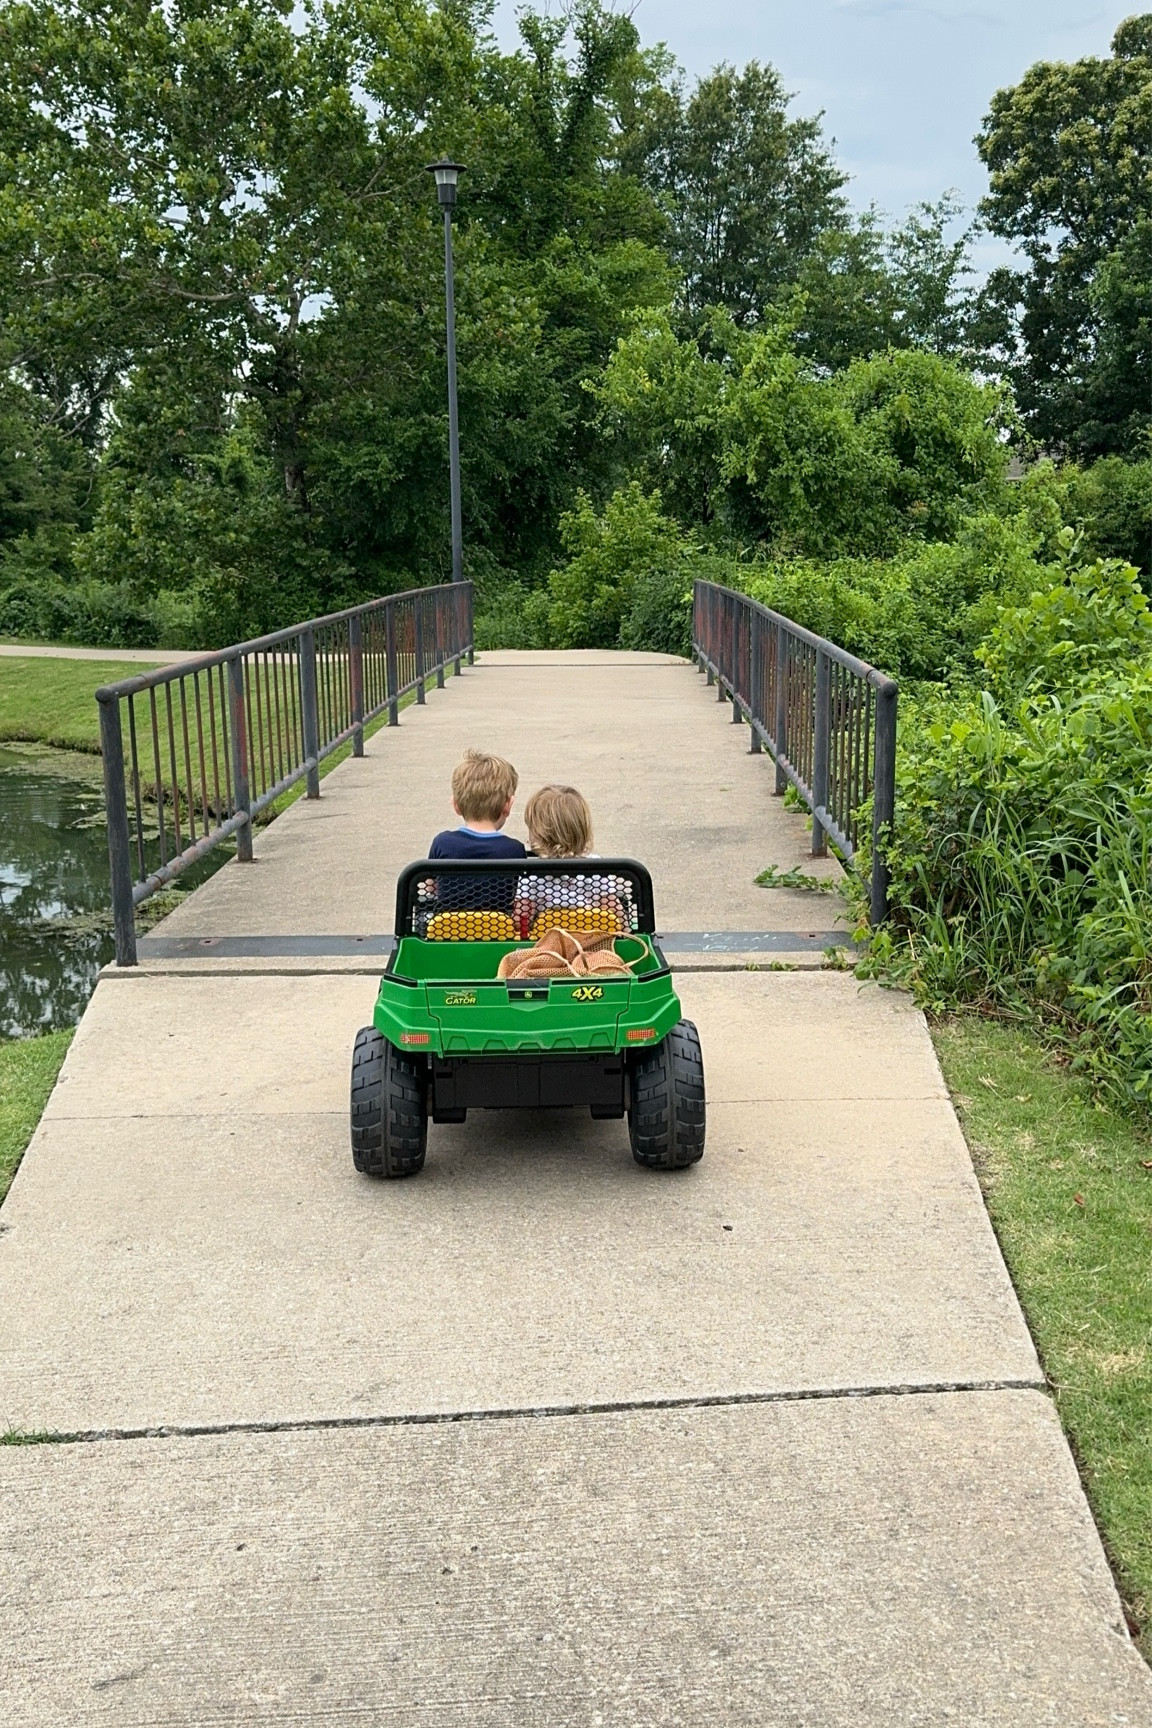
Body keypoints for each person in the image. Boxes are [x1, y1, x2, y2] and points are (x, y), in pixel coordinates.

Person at [515, 784, 627, 933]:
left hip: (546, 949)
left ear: (539, 834)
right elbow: (618, 919)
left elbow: (521, 922)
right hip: (591, 947)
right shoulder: (596, 870)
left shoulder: (532, 876)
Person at [428, 749, 526, 860]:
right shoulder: (514, 850)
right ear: (507, 805)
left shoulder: (442, 844)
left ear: (456, 805)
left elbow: (427, 877)